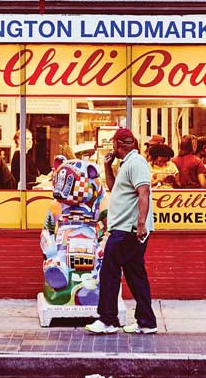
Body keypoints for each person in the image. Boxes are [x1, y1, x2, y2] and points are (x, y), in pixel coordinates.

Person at [85, 128, 157, 335]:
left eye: (113, 145)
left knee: (109, 271)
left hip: (128, 229)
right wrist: (107, 166)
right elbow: (115, 187)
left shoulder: (136, 163)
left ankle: (107, 320)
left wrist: (141, 224)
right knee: (135, 275)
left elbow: (144, 193)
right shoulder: (127, 164)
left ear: (117, 145)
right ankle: (146, 321)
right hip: (128, 229)